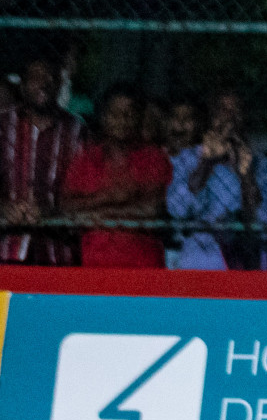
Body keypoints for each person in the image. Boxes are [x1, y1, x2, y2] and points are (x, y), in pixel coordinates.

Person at [165, 88, 267, 269]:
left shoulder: (266, 168)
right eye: (222, 110)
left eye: (236, 111)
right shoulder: (187, 159)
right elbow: (178, 209)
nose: (229, 118)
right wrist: (205, 163)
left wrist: (247, 176)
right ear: (210, 118)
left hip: (249, 264)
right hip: (199, 263)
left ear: (245, 118)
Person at [61, 83, 172, 268]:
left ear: (139, 118)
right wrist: (109, 198)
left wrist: (96, 215)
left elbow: (152, 210)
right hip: (94, 264)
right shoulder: (86, 159)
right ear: (104, 117)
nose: (122, 120)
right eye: (114, 114)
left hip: (143, 265)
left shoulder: (154, 157)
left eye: (129, 114)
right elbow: (66, 207)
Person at [0, 58, 84, 265]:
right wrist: (3, 207)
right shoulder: (3, 125)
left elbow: (85, 190)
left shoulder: (75, 130)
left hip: (56, 251)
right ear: (23, 84)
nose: (44, 83)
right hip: (6, 248)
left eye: (51, 78)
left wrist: (51, 213)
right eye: (36, 77)